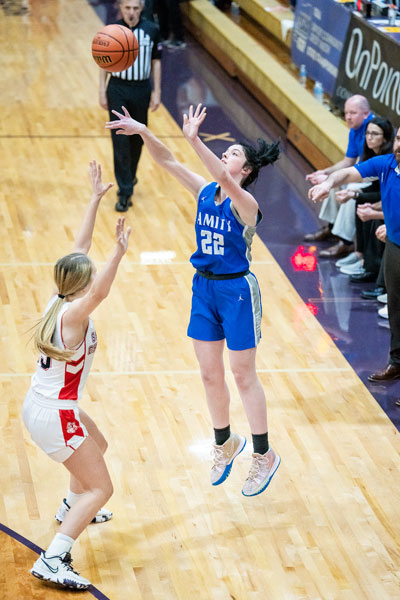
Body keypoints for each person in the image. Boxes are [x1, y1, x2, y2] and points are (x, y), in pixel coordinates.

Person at [106, 103, 281, 496]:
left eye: (235, 153)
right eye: (227, 151)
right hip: (203, 288)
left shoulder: (246, 205)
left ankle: (264, 454)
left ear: (247, 170)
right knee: (208, 373)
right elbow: (167, 160)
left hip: (236, 291)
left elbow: (221, 176)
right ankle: (224, 442)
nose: (227, 155)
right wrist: (145, 132)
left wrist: (194, 139)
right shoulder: (205, 191)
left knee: (242, 375)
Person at [23, 161, 131, 589]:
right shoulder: (75, 314)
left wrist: (94, 200)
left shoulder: (58, 296)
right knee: (102, 488)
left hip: (45, 404)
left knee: (98, 444)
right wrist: (119, 252)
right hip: (56, 412)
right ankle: (53, 558)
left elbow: (79, 245)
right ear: (81, 283)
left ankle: (72, 504)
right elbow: (102, 289)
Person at [308, 126, 400, 382]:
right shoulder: (388, 163)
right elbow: (350, 172)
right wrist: (328, 182)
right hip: (395, 246)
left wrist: (382, 220)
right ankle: (397, 362)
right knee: (395, 308)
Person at [99, 0, 162, 212]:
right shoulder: (111, 31)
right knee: (120, 142)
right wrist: (101, 89)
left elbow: (156, 60)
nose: (132, 12)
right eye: (128, 8)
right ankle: (124, 191)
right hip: (117, 88)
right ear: (121, 8)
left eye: (135, 8)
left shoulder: (152, 30)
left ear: (142, 9)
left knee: (138, 140)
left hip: (141, 89)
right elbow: (103, 62)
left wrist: (157, 91)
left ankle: (130, 176)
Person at [304, 95, 373, 258]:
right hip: (362, 171)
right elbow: (348, 161)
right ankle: (332, 227)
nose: (348, 117)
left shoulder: (372, 130)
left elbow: (369, 170)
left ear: (366, 113)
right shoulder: (355, 129)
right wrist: (326, 173)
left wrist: (338, 178)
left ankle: (346, 243)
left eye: (353, 113)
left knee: (351, 188)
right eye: (346, 113)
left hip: (377, 175)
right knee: (334, 180)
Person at [335, 117, 393, 283]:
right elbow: (374, 188)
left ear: (386, 138)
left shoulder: (388, 159)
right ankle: (360, 254)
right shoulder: (370, 154)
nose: (369, 137)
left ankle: (371, 267)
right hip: (383, 199)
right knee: (359, 199)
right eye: (367, 133)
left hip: (390, 203)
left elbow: (384, 194)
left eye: (375, 134)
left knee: (372, 213)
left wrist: (357, 195)